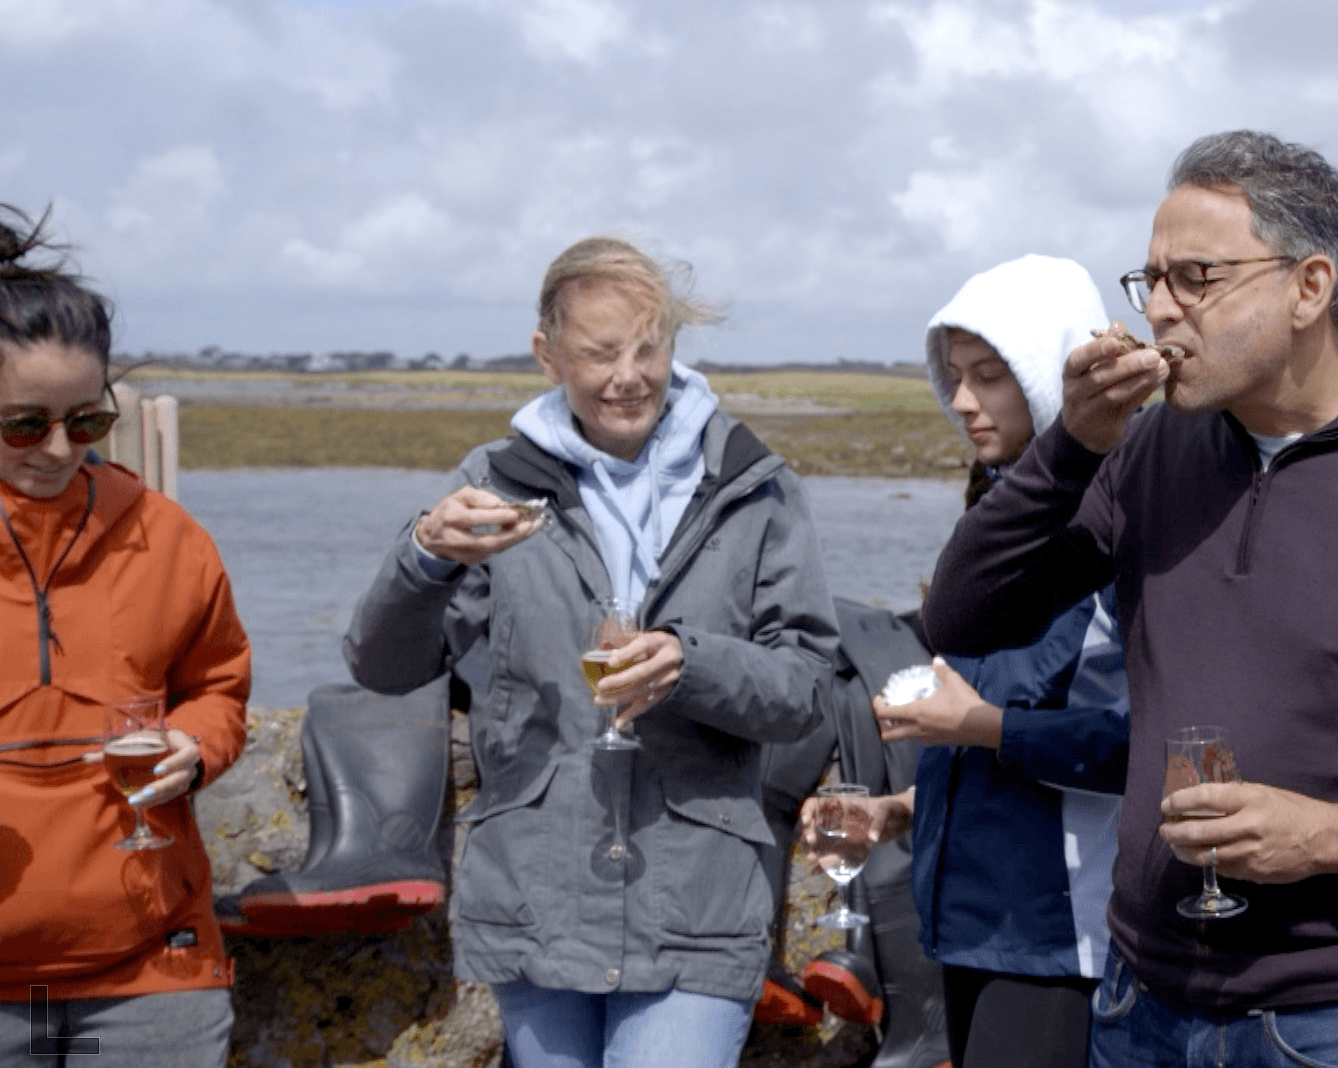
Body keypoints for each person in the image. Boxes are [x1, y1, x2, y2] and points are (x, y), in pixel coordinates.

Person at [921, 133, 1338, 1067]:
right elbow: (964, 617)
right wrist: (1073, 445)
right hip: (1138, 1006)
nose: (1159, 309)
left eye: (1195, 278)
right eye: (1151, 280)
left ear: (1309, 287)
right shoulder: (1147, 455)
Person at [344, 234, 837, 1068]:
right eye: (601, 353)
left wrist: (691, 664)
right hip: (536, 891)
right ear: (547, 355)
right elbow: (383, 668)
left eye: (649, 348)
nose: (629, 377)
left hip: (698, 901)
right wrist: (423, 555)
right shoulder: (492, 483)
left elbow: (807, 691)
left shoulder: (755, 486)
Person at [802, 254, 1130, 1068]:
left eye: (989, 375)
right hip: (970, 921)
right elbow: (994, 730)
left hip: (1064, 933)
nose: (961, 401)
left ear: (1055, 375)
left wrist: (977, 726)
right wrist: (897, 810)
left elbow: (1142, 747)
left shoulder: (1116, 525)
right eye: (953, 375)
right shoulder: (993, 510)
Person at [0, 205, 250, 1063]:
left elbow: (218, 686)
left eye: (87, 422)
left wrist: (195, 744)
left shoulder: (167, 535)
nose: (59, 450)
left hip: (154, 975)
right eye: (23, 424)